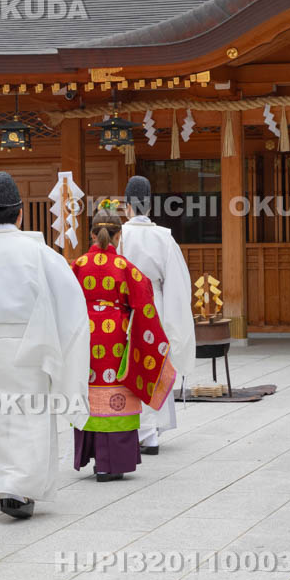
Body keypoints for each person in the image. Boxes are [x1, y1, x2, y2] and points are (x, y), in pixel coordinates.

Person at [0, 172, 89, 519]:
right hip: (33, 346)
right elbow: (73, 305)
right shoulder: (40, 253)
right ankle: (23, 489)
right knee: (29, 420)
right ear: (21, 212)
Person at [72, 201, 170, 482]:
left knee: (91, 390)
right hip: (117, 334)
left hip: (86, 335)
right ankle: (110, 463)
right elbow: (145, 305)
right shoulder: (126, 267)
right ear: (119, 236)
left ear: (91, 235)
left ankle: (94, 457)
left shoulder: (77, 265)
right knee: (115, 390)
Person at [118, 176, 195, 455]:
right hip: (155, 306)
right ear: (149, 206)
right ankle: (152, 435)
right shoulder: (164, 237)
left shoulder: (119, 235)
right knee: (155, 363)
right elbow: (178, 284)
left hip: (125, 309)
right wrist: (176, 323)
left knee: (127, 366)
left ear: (127, 206)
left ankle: (132, 427)